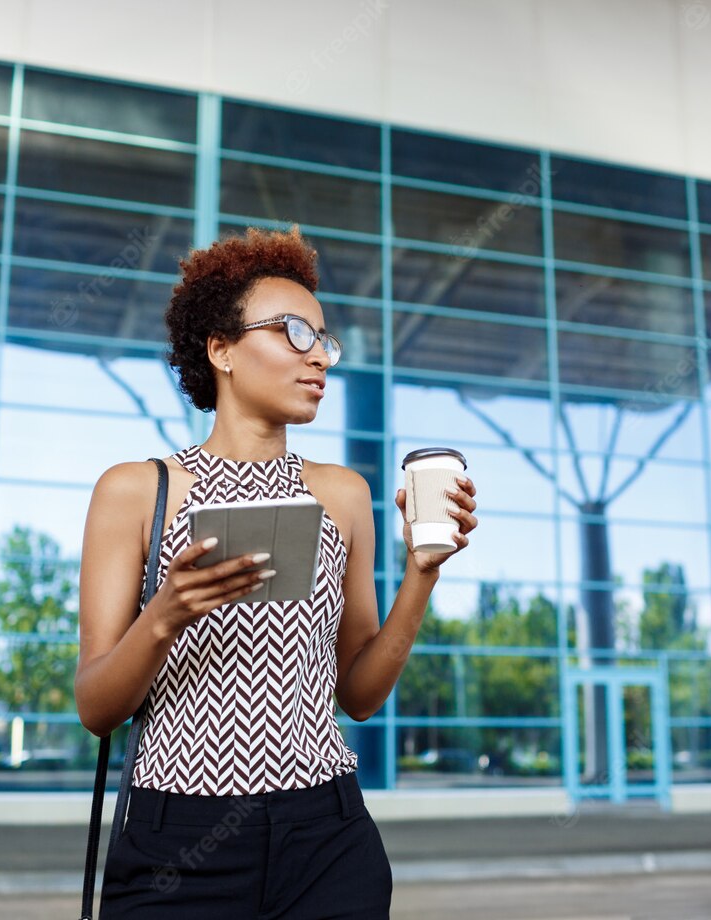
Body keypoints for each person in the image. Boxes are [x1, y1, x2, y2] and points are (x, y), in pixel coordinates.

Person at [75, 226, 478, 919]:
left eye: (324, 340)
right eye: (293, 332)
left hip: (327, 839)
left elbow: (358, 696)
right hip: (178, 845)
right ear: (221, 348)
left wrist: (422, 576)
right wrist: (166, 614)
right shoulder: (136, 492)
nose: (318, 356)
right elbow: (96, 706)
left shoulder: (343, 495)